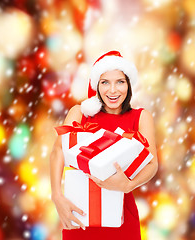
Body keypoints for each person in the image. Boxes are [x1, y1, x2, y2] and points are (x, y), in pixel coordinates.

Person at [49, 50, 158, 240]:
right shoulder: (80, 113)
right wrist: (57, 196)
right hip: (80, 212)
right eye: (105, 82)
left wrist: (128, 185)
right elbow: (58, 151)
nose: (113, 90)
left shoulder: (141, 117)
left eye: (120, 82)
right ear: (96, 85)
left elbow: (152, 163)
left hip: (122, 216)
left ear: (129, 85)